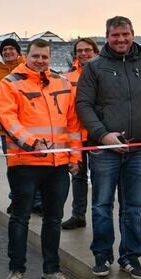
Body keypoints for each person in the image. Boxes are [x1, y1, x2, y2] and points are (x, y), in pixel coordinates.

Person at [0, 38, 82, 279]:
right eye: (36, 56)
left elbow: (73, 124)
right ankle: (16, 270)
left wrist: (75, 158)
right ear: (27, 55)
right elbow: (7, 119)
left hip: (58, 165)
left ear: (50, 56)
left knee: (53, 219)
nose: (40, 61)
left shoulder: (62, 82)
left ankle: (52, 270)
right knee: (20, 219)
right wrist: (32, 143)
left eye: (45, 57)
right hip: (25, 163)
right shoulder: (10, 83)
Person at [76, 16, 141, 279]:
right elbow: (83, 105)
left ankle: (131, 256)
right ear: (107, 36)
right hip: (104, 151)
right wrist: (103, 135)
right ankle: (102, 255)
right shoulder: (94, 67)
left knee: (134, 207)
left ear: (132, 34)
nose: (121, 40)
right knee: (102, 205)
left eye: (125, 34)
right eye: (115, 35)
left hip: (137, 151)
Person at [0, 38, 43, 215]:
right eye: (4, 50)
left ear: (18, 51)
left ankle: (37, 201)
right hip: (7, 131)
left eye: (11, 49)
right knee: (14, 168)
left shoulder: (29, 69)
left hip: (31, 130)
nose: (8, 52)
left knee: (36, 166)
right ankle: (17, 199)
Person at [61, 37, 99, 230]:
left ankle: (100, 217)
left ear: (95, 51)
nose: (83, 54)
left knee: (100, 178)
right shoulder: (67, 78)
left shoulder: (103, 72)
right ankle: (78, 215)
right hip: (76, 135)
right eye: (79, 51)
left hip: (98, 135)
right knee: (77, 176)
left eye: (87, 50)